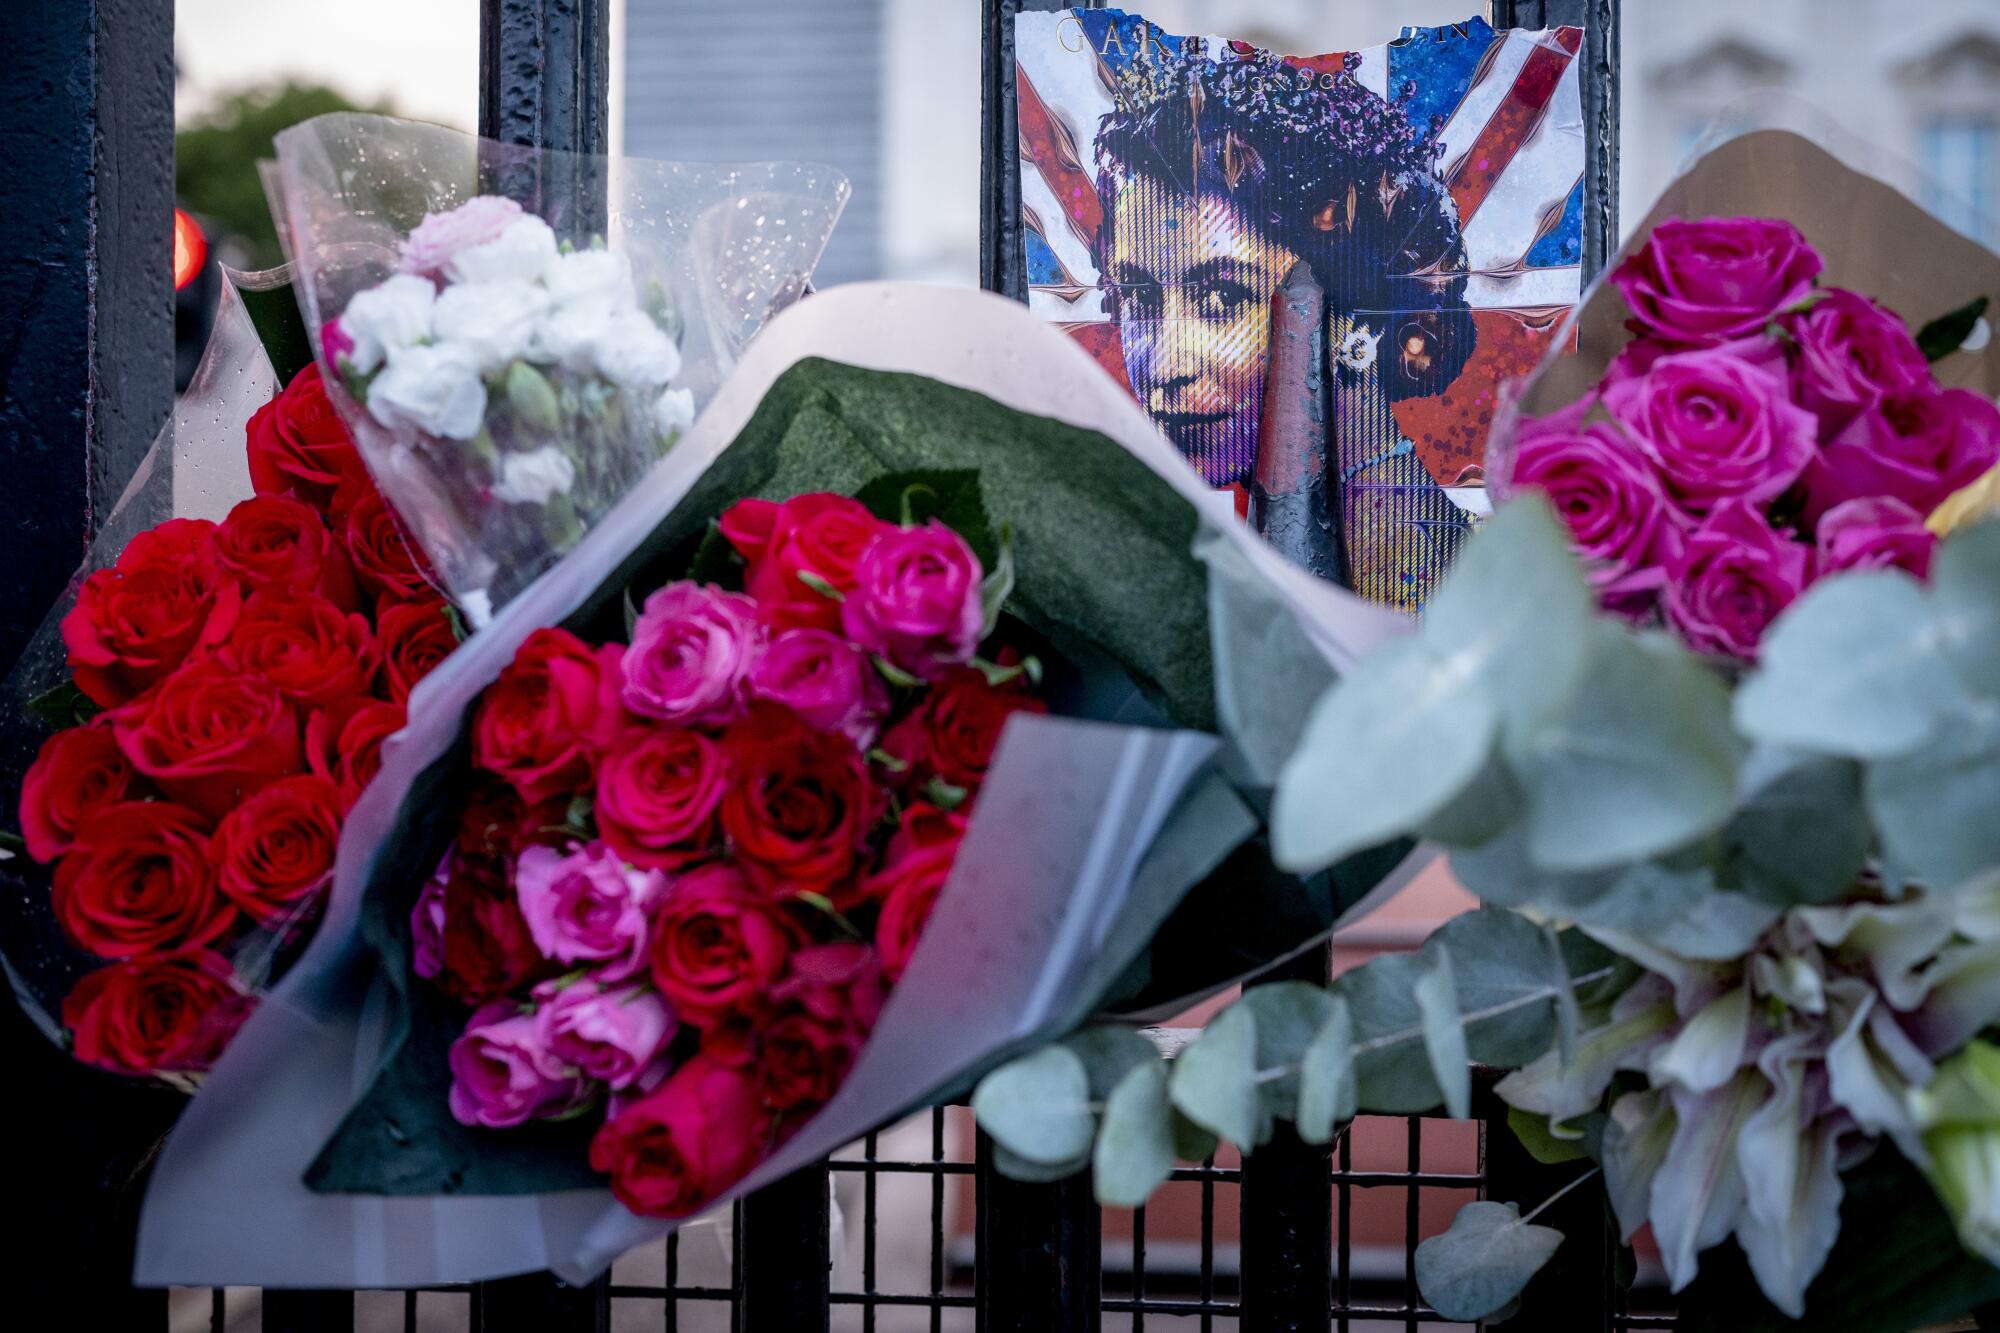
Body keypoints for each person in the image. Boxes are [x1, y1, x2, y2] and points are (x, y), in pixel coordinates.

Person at [1092, 40, 1478, 608]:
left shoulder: (1431, 596)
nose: (1166, 364)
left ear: (1354, 318)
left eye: (1222, 297)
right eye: (1140, 294)